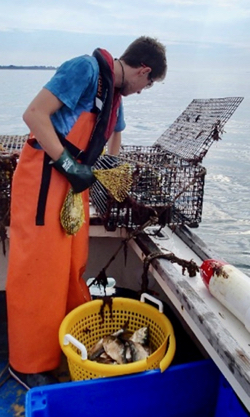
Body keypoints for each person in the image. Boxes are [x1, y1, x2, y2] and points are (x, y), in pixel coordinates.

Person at [6, 36, 167, 389]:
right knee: (38, 270)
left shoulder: (115, 94)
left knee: (71, 266)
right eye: (148, 85)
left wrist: (111, 179)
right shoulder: (85, 69)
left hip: (75, 183)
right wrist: (66, 163)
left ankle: (65, 345)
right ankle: (28, 362)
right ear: (144, 70)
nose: (142, 91)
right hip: (45, 177)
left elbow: (114, 141)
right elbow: (34, 114)